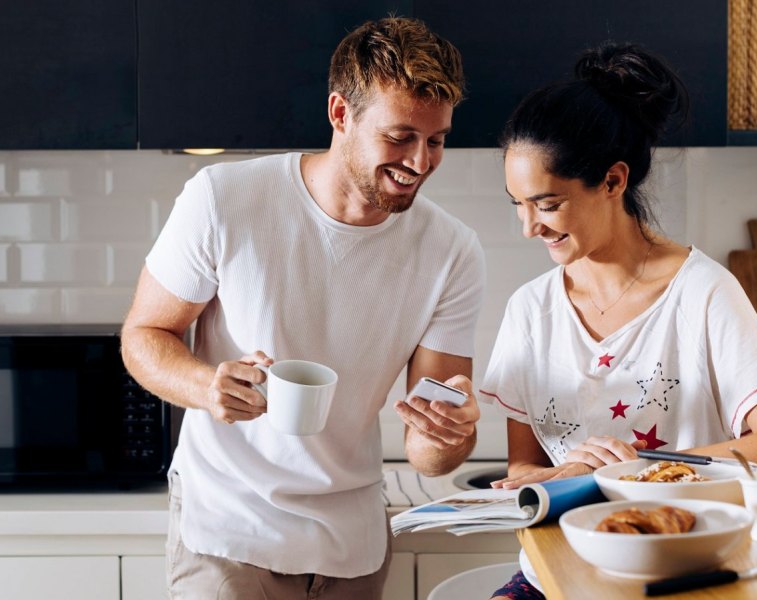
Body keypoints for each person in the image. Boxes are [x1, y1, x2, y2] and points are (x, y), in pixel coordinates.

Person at [120, 16, 486, 600]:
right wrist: (206, 385)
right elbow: (144, 335)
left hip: (352, 542)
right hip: (227, 534)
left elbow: (429, 453)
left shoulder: (452, 251)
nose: (420, 162)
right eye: (399, 137)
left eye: (437, 139)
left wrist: (450, 436)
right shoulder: (224, 199)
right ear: (341, 114)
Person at [466, 42, 757, 599]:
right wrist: (546, 480)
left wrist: (640, 467)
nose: (528, 227)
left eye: (546, 203)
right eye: (517, 204)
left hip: (678, 574)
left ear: (613, 181)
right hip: (554, 573)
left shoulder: (703, 293)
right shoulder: (530, 310)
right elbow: (525, 466)